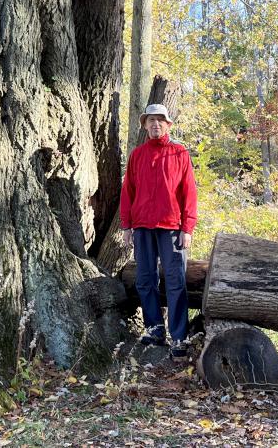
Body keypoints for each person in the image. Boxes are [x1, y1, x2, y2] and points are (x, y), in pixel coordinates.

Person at [120, 104, 197, 361]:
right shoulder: (138, 155)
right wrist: (126, 226)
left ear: (168, 125)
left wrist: (187, 228)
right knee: (145, 279)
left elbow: (189, 193)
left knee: (175, 281)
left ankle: (179, 337)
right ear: (144, 125)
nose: (156, 124)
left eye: (160, 120)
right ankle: (154, 331)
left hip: (172, 228)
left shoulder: (179, 153)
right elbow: (128, 192)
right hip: (142, 227)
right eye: (151, 120)